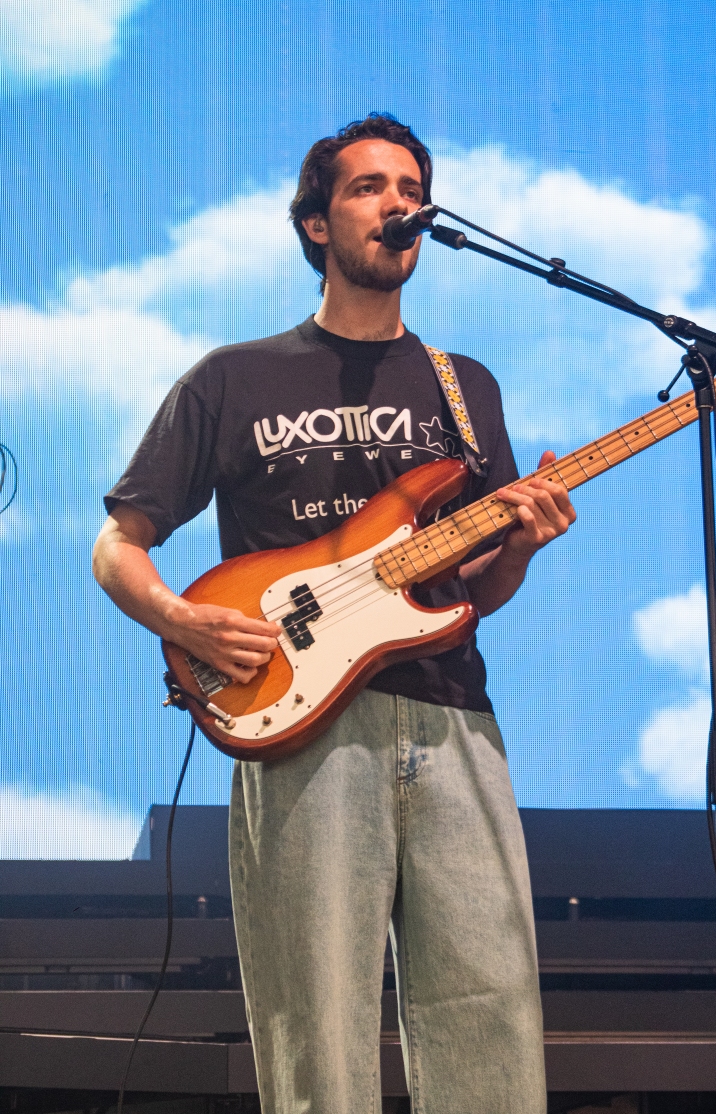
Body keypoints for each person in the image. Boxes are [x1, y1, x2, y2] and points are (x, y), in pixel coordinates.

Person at [93, 114, 576, 1114]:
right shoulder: (233, 378)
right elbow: (118, 544)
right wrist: (183, 622)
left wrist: (521, 546)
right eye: (369, 187)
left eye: (411, 188)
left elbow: (474, 596)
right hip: (299, 726)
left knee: (488, 1017)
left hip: (452, 720)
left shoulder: (462, 386)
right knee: (317, 1028)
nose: (398, 204)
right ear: (316, 223)